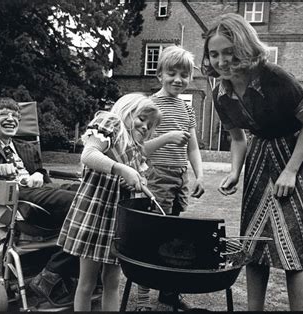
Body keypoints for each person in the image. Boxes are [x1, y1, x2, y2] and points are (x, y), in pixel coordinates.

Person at [201, 13, 303, 311]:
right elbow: (239, 138)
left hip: (296, 152)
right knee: (254, 247)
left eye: (228, 52)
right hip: (259, 157)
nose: (221, 61)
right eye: (214, 54)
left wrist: (291, 171)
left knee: (294, 250)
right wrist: (234, 171)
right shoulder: (220, 91)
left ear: (244, 47)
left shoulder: (274, 77)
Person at [0, 97, 89, 306]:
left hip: (37, 191)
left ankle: (58, 273)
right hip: (10, 197)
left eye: (15, 116)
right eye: (4, 115)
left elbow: (41, 175)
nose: (11, 119)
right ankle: (51, 275)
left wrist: (38, 174)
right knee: (83, 202)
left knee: (90, 194)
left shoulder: (26, 146)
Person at [56, 93, 164, 311]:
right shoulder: (110, 124)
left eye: (150, 125)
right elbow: (89, 155)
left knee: (112, 282)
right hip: (94, 215)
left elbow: (127, 180)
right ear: (127, 109)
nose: (145, 127)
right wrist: (121, 169)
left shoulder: (134, 149)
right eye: (141, 118)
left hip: (118, 223)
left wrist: (135, 182)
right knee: (87, 282)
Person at [136, 45, 205, 311]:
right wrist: (167, 137)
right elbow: (138, 147)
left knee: (173, 239)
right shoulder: (149, 105)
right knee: (150, 237)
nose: (178, 79)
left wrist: (200, 175)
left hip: (179, 178)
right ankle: (143, 299)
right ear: (159, 75)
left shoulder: (187, 109)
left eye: (184, 75)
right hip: (155, 177)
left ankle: (168, 293)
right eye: (172, 73)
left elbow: (193, 147)